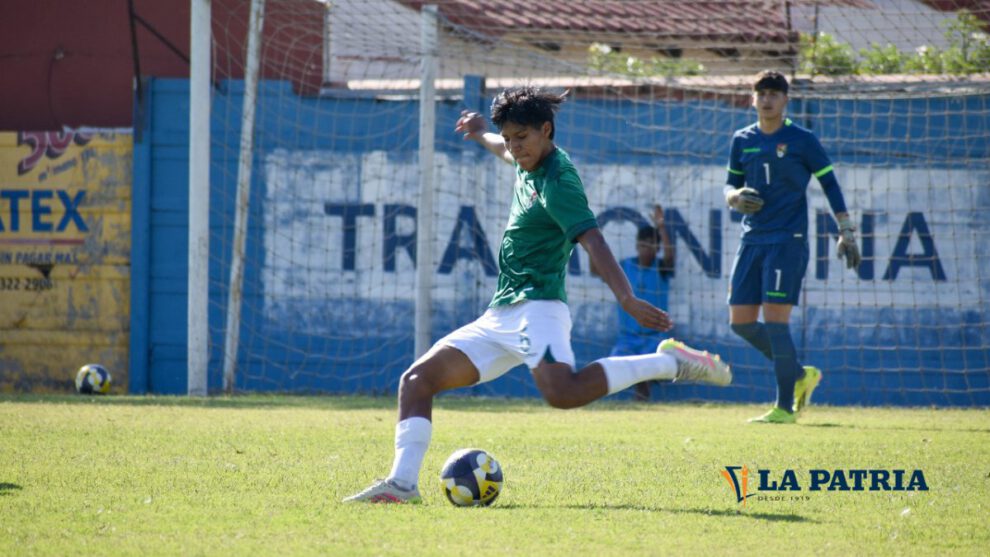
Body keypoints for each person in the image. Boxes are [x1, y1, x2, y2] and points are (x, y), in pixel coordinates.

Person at [344, 86, 731, 504]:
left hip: (538, 308)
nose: (515, 146)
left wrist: (628, 300)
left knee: (562, 393)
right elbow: (504, 152)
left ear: (545, 130)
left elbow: (595, 242)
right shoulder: (526, 157)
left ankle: (667, 361)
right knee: (417, 380)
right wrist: (481, 134)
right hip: (501, 314)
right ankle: (401, 484)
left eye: (521, 138)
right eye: (509, 137)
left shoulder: (559, 181)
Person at [723, 70, 861, 424]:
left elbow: (830, 185)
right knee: (740, 321)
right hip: (752, 238)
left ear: (786, 99)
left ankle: (784, 407)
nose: (767, 99)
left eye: (774, 93)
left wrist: (846, 230)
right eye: (761, 93)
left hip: (788, 240)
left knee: (776, 322)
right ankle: (801, 374)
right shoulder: (742, 139)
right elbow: (729, 187)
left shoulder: (802, 139)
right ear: (752, 99)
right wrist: (735, 197)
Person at [589, 204, 675, 401]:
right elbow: (596, 270)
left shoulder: (661, 268)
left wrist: (661, 227)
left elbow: (670, 257)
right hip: (627, 339)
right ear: (637, 245)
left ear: (658, 248)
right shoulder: (625, 266)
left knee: (654, 362)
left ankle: (641, 395)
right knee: (613, 365)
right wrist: (591, 242)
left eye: (652, 247)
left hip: (655, 337)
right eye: (643, 246)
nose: (646, 251)